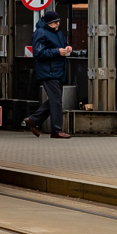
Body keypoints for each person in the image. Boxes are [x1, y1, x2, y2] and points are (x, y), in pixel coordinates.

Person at [25, 10, 72, 139]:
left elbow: (62, 44)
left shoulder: (57, 32)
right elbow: (39, 53)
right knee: (56, 101)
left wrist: (67, 47)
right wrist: (57, 51)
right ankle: (56, 130)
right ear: (48, 23)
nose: (57, 24)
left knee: (54, 100)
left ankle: (33, 120)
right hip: (49, 71)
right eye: (55, 23)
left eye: (58, 22)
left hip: (57, 71)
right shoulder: (40, 33)